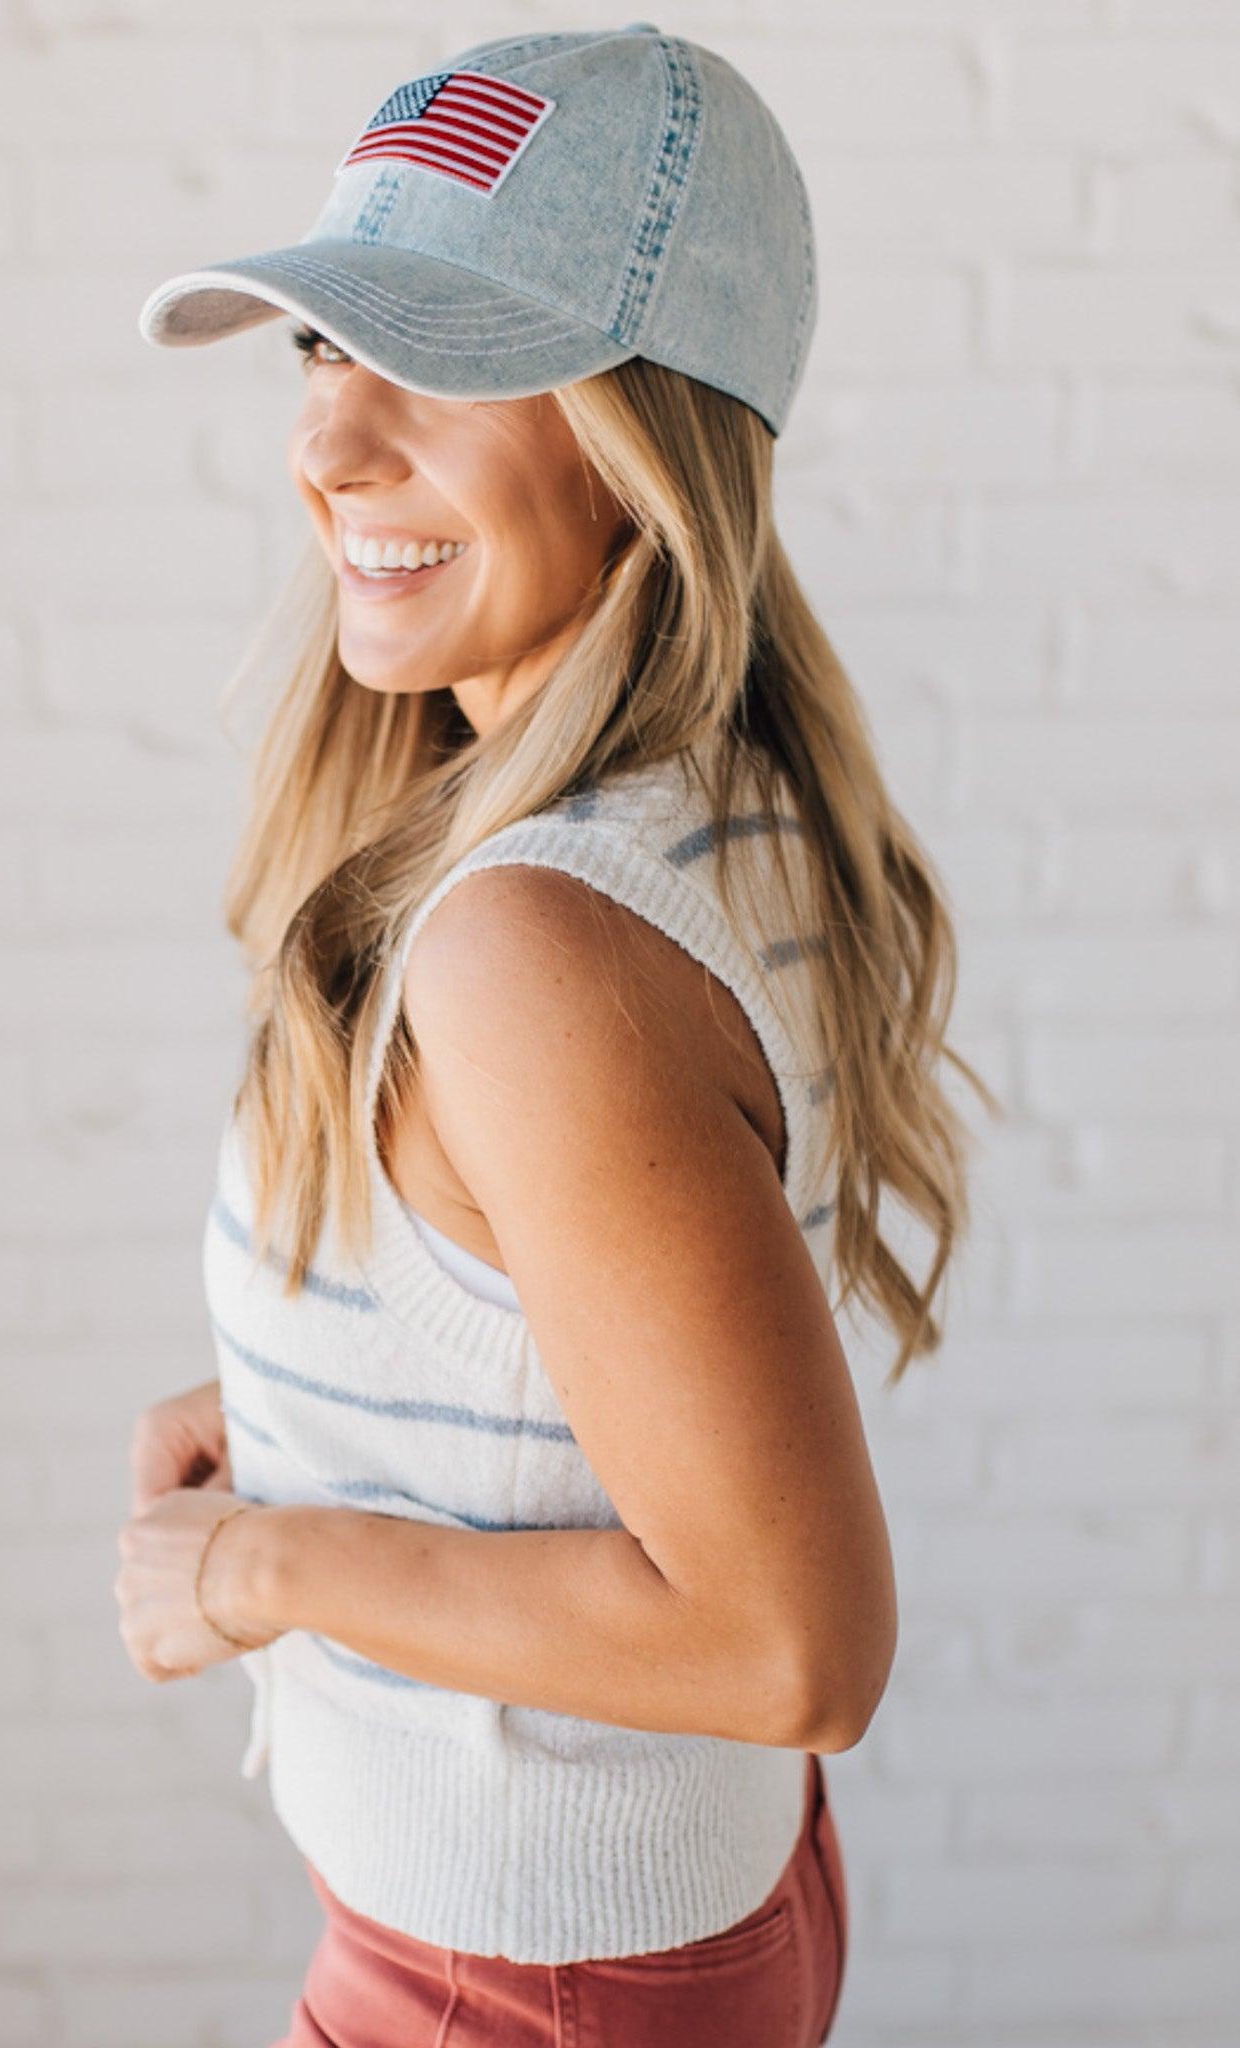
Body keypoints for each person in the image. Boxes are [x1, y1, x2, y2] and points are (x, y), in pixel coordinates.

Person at [113, 23, 999, 2046]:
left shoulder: (527, 939)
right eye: (318, 350)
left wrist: (263, 1560)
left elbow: (791, 1641)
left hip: (515, 1982)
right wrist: (305, 1382)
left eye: (432, 362)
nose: (325, 447)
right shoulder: (718, 792)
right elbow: (566, 1316)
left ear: (643, 436)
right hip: (636, 1928)